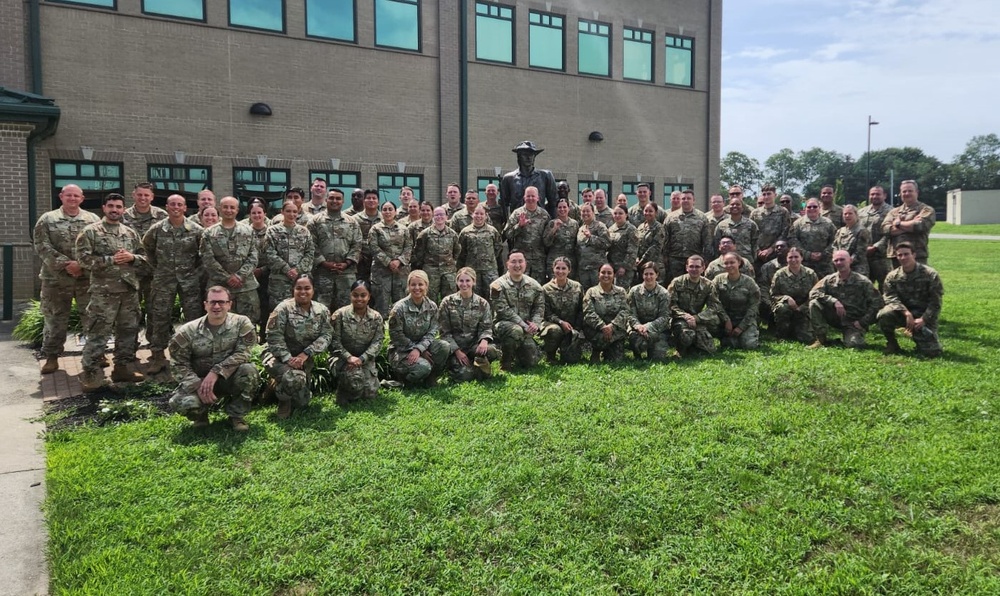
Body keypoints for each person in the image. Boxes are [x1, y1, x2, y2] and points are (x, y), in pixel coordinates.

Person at [75, 193, 146, 391]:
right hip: (104, 293)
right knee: (98, 332)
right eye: (111, 206)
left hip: (128, 291)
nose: (114, 210)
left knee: (128, 331)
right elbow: (83, 260)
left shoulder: (130, 233)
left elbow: (145, 258)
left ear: (123, 209)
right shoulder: (91, 232)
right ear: (104, 208)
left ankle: (122, 368)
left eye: (118, 206)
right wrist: (110, 260)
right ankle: (90, 372)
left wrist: (133, 258)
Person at [168, 286, 260, 431]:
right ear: (205, 305)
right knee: (181, 402)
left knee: (248, 371)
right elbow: (178, 363)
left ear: (229, 304)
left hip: (228, 378)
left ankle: (236, 416)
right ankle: (200, 416)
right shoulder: (187, 331)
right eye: (212, 302)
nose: (217, 306)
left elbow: (243, 353)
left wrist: (216, 372)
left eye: (222, 302)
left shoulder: (242, 323)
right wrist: (198, 385)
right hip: (199, 381)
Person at [33, 184, 100, 374]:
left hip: (85, 278)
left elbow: (99, 246)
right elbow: (41, 246)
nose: (72, 198)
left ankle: (96, 354)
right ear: (61, 196)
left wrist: (81, 265)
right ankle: (52, 357)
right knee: (55, 319)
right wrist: (67, 264)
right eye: (68, 195)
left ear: (82, 198)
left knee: (92, 318)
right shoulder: (47, 219)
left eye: (76, 195)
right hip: (56, 279)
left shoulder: (92, 219)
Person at [141, 194, 204, 374]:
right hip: (163, 280)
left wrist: (194, 272)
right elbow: (147, 250)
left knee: (193, 318)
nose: (176, 207)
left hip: (189, 281)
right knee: (159, 317)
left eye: (180, 204)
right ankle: (158, 356)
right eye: (173, 204)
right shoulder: (157, 229)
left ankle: (193, 355)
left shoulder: (196, 230)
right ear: (167, 207)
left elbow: (203, 255)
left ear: (185, 208)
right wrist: (158, 268)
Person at [262, 274, 332, 418]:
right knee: (294, 379)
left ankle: (276, 385)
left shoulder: (322, 310)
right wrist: (289, 359)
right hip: (278, 356)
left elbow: (326, 335)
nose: (303, 292)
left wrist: (305, 354)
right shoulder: (283, 309)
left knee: (302, 402)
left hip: (303, 359)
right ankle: (284, 402)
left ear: (313, 290)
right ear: (293, 290)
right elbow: (274, 337)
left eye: (307, 288)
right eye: (298, 288)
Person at [877, 242, 943, 357]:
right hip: (903, 313)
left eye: (906, 254)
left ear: (914, 255)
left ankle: (920, 337)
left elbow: (935, 302)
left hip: (923, 316)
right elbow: (890, 298)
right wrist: (906, 313)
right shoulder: (893, 276)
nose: (903, 258)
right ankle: (892, 343)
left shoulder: (930, 274)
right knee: (884, 314)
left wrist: (924, 319)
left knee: (932, 352)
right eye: (899, 255)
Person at [808, 250, 883, 349]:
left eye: (842, 260)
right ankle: (821, 339)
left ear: (850, 261)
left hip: (853, 321)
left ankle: (848, 337)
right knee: (814, 303)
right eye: (836, 260)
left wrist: (863, 322)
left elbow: (877, 303)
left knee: (855, 345)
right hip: (834, 317)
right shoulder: (829, 279)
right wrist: (833, 301)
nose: (839, 263)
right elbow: (813, 293)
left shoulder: (862, 281)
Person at [201, 196, 260, 323]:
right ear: (220, 209)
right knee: (219, 321)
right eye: (225, 207)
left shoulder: (248, 231)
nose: (229, 210)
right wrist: (226, 278)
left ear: (237, 210)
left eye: (232, 207)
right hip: (219, 287)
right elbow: (208, 260)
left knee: (249, 322)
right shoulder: (209, 233)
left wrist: (240, 276)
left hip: (246, 286)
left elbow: (254, 257)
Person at [387, 270, 450, 386]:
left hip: (422, 347)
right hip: (402, 350)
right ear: (408, 286)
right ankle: (404, 381)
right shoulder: (399, 308)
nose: (417, 288)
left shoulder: (432, 307)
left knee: (444, 347)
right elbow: (396, 336)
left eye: (420, 284)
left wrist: (420, 349)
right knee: (423, 367)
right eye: (413, 284)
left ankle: (430, 378)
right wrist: (415, 349)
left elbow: (432, 332)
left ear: (426, 285)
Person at [438, 267, 500, 381]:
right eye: (461, 281)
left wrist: (484, 341)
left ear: (473, 282)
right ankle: (469, 367)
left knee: (491, 351)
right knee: (465, 376)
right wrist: (457, 352)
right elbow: (444, 332)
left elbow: (486, 327)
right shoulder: (447, 302)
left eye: (468, 281)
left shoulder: (482, 303)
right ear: (457, 282)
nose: (464, 284)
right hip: (455, 348)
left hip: (474, 346)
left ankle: (478, 362)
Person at [328, 280, 384, 405]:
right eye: (355, 295)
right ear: (350, 295)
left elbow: (377, 342)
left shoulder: (376, 317)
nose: (359, 298)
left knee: (370, 393)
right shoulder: (340, 315)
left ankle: (354, 387)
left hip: (365, 360)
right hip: (342, 359)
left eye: (363, 295)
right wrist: (348, 357)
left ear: (369, 296)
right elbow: (333, 341)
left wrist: (362, 358)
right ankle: (343, 390)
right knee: (353, 380)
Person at [122, 181, 167, 331]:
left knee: (155, 311)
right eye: (139, 194)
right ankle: (128, 351)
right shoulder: (123, 216)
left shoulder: (162, 216)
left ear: (152, 197)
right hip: (131, 272)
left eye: (146, 195)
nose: (143, 198)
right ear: (133, 195)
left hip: (154, 273)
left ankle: (155, 349)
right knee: (129, 313)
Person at [307, 188, 362, 312]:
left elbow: (357, 245)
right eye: (331, 198)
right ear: (326, 200)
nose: (334, 201)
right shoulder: (315, 221)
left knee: (346, 309)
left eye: (338, 198)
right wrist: (323, 262)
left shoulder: (352, 222)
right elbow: (311, 244)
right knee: (320, 309)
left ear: (343, 201)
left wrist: (346, 263)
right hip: (322, 273)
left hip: (346, 274)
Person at [491, 251, 545, 370]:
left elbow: (539, 307)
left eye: (520, 261)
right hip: (504, 324)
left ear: (525, 263)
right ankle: (505, 362)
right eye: (513, 262)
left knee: (531, 362)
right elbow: (503, 310)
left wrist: (535, 324)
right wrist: (522, 325)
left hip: (526, 329)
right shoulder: (497, 286)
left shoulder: (534, 285)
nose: (517, 265)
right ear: (507, 264)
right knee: (516, 331)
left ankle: (517, 352)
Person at [263, 199, 315, 314]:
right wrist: (287, 269)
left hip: (300, 280)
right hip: (279, 281)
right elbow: (269, 253)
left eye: (295, 212)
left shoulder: (304, 232)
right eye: (288, 211)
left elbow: (310, 253)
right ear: (282, 212)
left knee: (301, 311)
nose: (292, 214)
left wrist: (298, 270)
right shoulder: (272, 231)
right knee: (279, 312)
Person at [667, 255, 721, 357]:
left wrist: (697, 318)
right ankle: (680, 350)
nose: (694, 269)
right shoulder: (677, 282)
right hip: (680, 319)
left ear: (703, 268)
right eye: (691, 266)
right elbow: (670, 304)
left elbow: (714, 306)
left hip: (698, 319)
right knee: (687, 335)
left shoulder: (708, 285)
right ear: (686, 268)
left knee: (709, 350)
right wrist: (685, 316)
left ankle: (694, 346)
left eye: (697, 267)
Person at [369, 201, 413, 315]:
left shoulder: (404, 229)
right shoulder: (375, 229)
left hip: (400, 272)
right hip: (381, 272)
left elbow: (408, 247)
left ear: (395, 212)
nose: (387, 212)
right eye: (384, 209)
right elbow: (374, 247)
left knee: (401, 306)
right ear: (381, 212)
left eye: (390, 209)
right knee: (381, 306)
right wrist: (388, 262)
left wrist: (399, 261)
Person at [539, 257, 585, 364]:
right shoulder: (545, 289)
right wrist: (560, 322)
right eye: (557, 268)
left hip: (571, 326)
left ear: (569, 270)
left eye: (564, 268)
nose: (560, 271)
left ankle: (567, 348)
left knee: (571, 360)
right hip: (552, 323)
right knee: (555, 330)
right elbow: (546, 312)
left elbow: (581, 309)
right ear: (553, 269)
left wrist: (576, 329)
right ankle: (550, 356)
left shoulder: (577, 287)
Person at [712, 251, 760, 349]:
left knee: (749, 345)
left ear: (739, 263)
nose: (729, 265)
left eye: (732, 262)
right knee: (728, 343)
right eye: (726, 263)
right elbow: (714, 301)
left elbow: (754, 306)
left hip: (743, 319)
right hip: (723, 319)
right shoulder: (718, 280)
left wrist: (741, 327)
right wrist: (726, 319)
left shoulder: (749, 282)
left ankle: (738, 336)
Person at [582, 263, 630, 362]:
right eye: (603, 272)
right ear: (598, 274)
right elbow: (588, 313)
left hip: (615, 331)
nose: (606, 275)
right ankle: (596, 350)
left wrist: (612, 326)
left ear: (614, 275)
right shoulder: (591, 292)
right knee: (600, 340)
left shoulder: (621, 291)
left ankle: (608, 350)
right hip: (596, 330)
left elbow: (625, 311)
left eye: (609, 273)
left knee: (616, 360)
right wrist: (602, 326)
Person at [413, 206, 461, 303]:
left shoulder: (452, 234)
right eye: (437, 215)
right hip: (431, 271)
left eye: (442, 214)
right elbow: (418, 252)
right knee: (429, 299)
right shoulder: (425, 234)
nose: (439, 217)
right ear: (433, 217)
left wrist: (451, 262)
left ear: (446, 216)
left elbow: (457, 250)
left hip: (448, 272)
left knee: (450, 300)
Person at [770, 246, 817, 343]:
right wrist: (786, 298)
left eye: (796, 257)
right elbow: (773, 295)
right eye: (790, 257)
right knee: (782, 307)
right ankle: (782, 334)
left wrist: (803, 307)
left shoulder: (811, 274)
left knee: (806, 338)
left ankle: (798, 329)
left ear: (801, 258)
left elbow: (816, 294)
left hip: (805, 308)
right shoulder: (779, 274)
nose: (793, 260)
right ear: (786, 259)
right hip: (787, 307)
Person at [882, 180, 936, 265]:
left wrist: (898, 224)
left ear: (917, 192)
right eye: (904, 191)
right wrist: (911, 224)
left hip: (917, 256)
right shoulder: (894, 212)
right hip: (896, 256)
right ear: (900, 193)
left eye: (910, 191)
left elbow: (919, 227)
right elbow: (885, 230)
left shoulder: (926, 210)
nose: (907, 193)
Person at [500, 140, 558, 218]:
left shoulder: (545, 176)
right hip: (517, 223)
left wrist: (552, 222)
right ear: (519, 156)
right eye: (525, 154)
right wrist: (507, 223)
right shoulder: (508, 179)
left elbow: (553, 203)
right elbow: (504, 204)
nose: (529, 157)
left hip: (540, 223)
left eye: (532, 154)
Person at [627, 261, 672, 360]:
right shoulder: (634, 291)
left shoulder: (664, 293)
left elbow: (665, 317)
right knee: (638, 343)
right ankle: (638, 351)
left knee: (657, 358)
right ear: (642, 275)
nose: (648, 277)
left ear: (657, 275)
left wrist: (648, 327)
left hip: (657, 330)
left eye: (651, 274)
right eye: (646, 274)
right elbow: (630, 314)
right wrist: (638, 326)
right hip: (638, 329)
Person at [664, 189, 711, 282]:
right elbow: (665, 238)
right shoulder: (670, 217)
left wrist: (705, 259)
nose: (686, 200)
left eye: (688, 198)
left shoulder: (702, 217)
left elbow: (707, 240)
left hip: (694, 260)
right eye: (683, 198)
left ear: (694, 200)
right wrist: (665, 257)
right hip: (674, 259)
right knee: (675, 284)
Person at [503, 185, 550, 279]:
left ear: (538, 198)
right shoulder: (517, 213)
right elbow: (507, 234)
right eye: (528, 196)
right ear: (524, 198)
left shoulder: (544, 215)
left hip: (539, 260)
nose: (530, 198)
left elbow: (548, 239)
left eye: (533, 196)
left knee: (538, 288)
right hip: (520, 261)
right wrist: (519, 226)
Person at [458, 205, 503, 300]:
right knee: (473, 297)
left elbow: (498, 248)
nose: (479, 216)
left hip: (490, 271)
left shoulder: (492, 231)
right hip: (472, 271)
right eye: (476, 213)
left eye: (481, 214)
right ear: (472, 215)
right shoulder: (465, 232)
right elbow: (461, 251)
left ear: (486, 216)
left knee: (493, 296)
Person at [788, 197, 836, 277]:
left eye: (814, 206)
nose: (812, 209)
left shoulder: (828, 223)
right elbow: (792, 241)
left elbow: (835, 241)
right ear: (805, 208)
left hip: (825, 265)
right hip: (805, 264)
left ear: (819, 208)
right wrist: (808, 254)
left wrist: (824, 254)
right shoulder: (798, 224)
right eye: (809, 207)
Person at [858, 185, 893, 289]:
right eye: (872, 194)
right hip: (864, 257)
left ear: (884, 196)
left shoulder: (891, 212)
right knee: (864, 286)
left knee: (885, 286)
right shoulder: (861, 212)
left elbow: (891, 233)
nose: (875, 196)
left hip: (882, 256)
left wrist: (876, 247)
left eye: (878, 194)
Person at [750, 183, 790, 270]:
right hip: (758, 254)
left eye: (769, 194)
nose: (766, 196)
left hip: (776, 253)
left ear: (775, 195)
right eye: (764, 194)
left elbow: (785, 233)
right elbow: (752, 233)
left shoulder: (783, 212)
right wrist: (758, 250)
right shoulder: (755, 213)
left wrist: (771, 249)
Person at [246, 199, 271, 336]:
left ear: (264, 214)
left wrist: (262, 270)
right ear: (249, 215)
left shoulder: (271, 232)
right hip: (248, 275)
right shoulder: (244, 231)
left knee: (266, 306)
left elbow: (274, 254)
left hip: (267, 274)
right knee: (252, 307)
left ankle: (264, 336)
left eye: (259, 212)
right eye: (253, 213)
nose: (257, 215)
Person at [714, 194, 759, 264]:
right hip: (727, 262)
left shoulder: (751, 224)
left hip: (746, 261)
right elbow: (716, 244)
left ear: (742, 207)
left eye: (738, 204)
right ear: (729, 207)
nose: (735, 206)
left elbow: (755, 244)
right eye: (732, 204)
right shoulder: (721, 225)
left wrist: (753, 260)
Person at [575, 202, 611, 290]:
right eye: (583, 211)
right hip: (583, 269)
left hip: (596, 269)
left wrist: (591, 237)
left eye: (588, 211)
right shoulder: (581, 228)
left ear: (593, 212)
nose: (585, 213)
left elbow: (607, 243)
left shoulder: (600, 226)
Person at [543, 198, 579, 277]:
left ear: (568, 208)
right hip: (555, 261)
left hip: (570, 262)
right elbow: (546, 242)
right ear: (556, 209)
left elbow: (577, 244)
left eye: (564, 207)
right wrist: (554, 229)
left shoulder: (574, 224)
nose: (562, 209)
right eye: (559, 207)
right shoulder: (551, 223)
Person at [352, 189, 381, 283]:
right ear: (364, 201)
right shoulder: (354, 219)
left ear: (378, 202)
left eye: (374, 198)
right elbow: (351, 239)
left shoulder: (384, 219)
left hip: (380, 262)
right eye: (368, 198)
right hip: (360, 262)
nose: (371, 200)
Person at [832, 204, 871, 276]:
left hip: (857, 269)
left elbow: (860, 252)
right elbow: (835, 246)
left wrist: (847, 262)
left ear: (856, 215)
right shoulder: (840, 231)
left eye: (850, 213)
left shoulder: (862, 231)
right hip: (841, 268)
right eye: (845, 214)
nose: (847, 216)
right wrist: (837, 259)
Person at [607, 206, 638, 288]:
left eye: (620, 213)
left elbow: (632, 251)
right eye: (615, 213)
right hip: (613, 268)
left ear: (626, 215)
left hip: (625, 269)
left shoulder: (631, 229)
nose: (617, 215)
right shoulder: (611, 229)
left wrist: (624, 267)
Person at [635, 203, 666, 283]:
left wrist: (641, 261)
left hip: (654, 266)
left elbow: (655, 247)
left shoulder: (659, 228)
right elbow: (636, 244)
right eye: (646, 211)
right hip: (641, 267)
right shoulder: (641, 227)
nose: (647, 213)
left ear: (656, 213)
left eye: (650, 211)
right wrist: (636, 258)